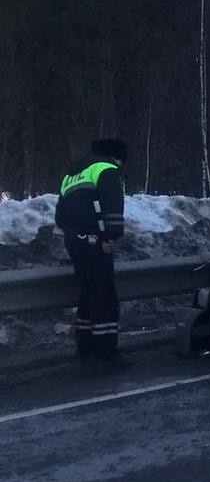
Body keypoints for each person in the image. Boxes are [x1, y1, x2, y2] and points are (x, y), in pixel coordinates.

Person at [54, 138, 129, 366]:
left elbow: (60, 215)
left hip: (73, 239)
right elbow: (113, 205)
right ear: (116, 157)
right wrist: (110, 237)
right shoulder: (107, 169)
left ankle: (85, 345)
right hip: (96, 239)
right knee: (104, 296)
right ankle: (106, 352)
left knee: (88, 292)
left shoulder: (72, 173)